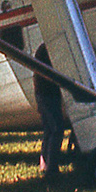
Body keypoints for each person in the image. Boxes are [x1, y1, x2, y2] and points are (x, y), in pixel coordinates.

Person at [34, 45, 71, 176]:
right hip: (48, 95)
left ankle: (45, 165)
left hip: (43, 94)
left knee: (49, 130)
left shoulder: (42, 50)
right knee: (57, 129)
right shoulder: (48, 50)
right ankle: (52, 168)